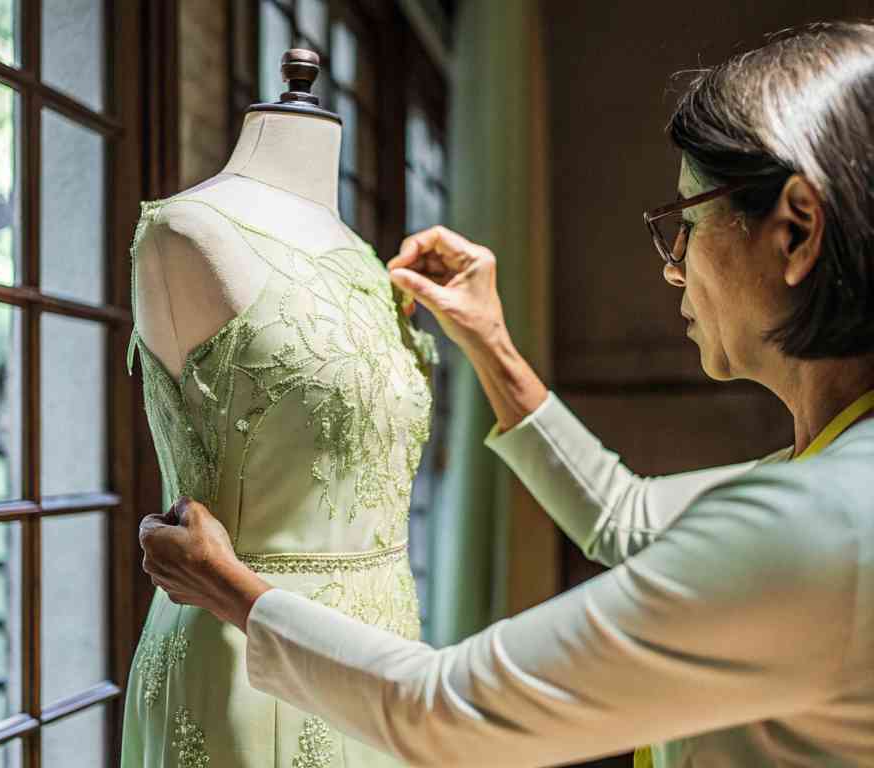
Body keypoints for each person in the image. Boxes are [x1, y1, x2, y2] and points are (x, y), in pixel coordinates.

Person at [139, 20, 874, 767]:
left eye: (687, 221)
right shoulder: (828, 472)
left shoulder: (823, 523)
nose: (673, 267)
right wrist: (491, 344)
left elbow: (445, 711)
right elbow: (624, 517)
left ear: (795, 232)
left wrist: (231, 591)